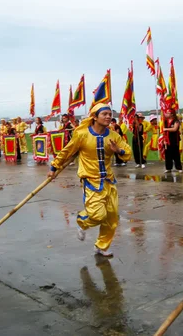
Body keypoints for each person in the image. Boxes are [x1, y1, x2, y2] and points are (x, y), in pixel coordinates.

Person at [47, 104, 132, 257]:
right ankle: (82, 221)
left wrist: (118, 151)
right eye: (104, 114)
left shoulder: (113, 136)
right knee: (97, 215)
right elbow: (67, 151)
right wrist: (54, 167)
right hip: (91, 180)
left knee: (112, 217)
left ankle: (101, 246)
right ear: (94, 116)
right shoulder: (82, 134)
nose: (108, 117)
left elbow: (127, 153)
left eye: (110, 114)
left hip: (109, 181)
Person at [162, 108, 182, 173]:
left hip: (174, 140)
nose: (166, 114)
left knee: (176, 154)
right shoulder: (165, 121)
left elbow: (175, 129)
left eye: (168, 113)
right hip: (167, 140)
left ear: (172, 114)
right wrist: (164, 139)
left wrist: (166, 129)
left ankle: (179, 167)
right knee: (167, 154)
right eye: (166, 113)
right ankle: (168, 168)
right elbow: (164, 131)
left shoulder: (176, 121)